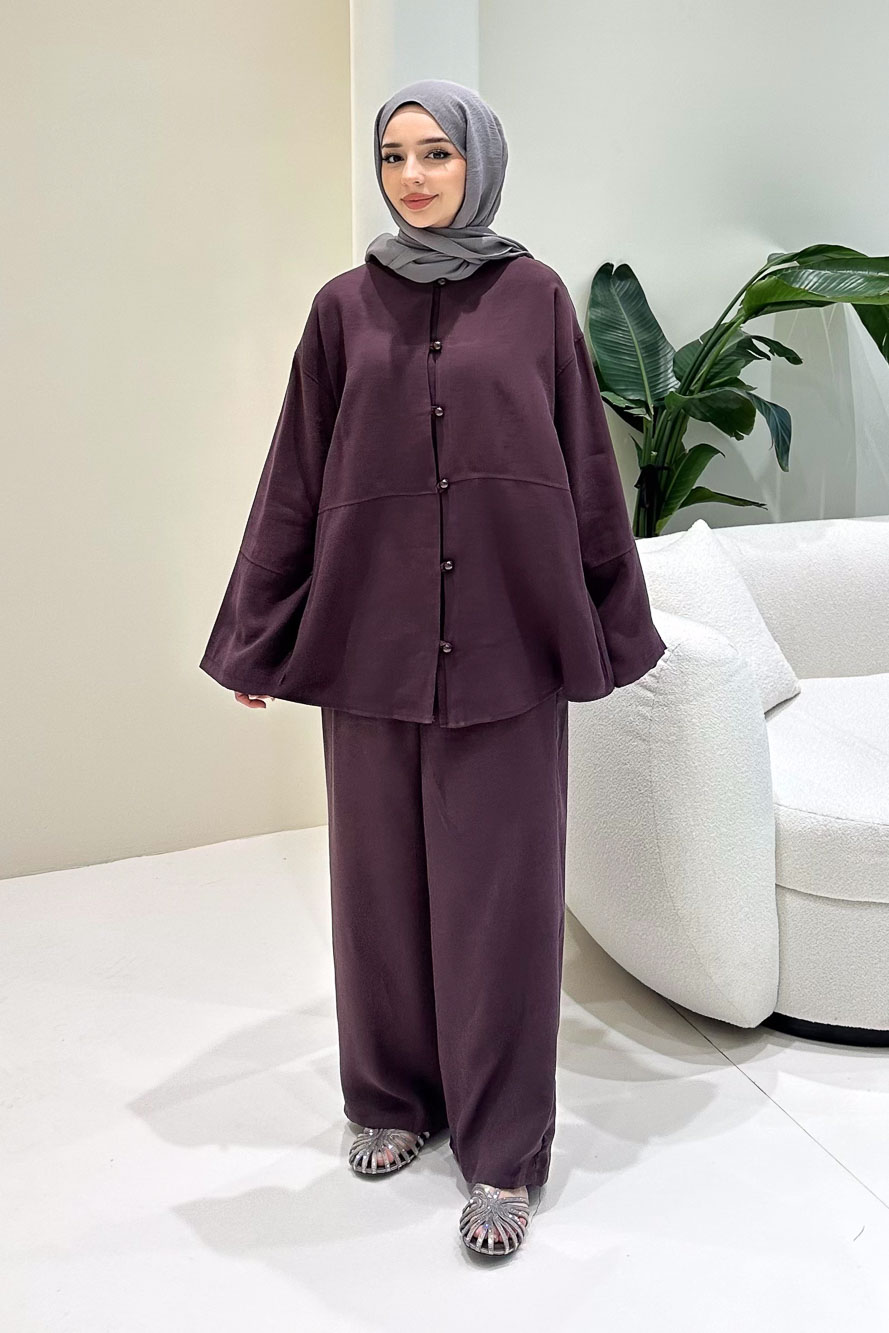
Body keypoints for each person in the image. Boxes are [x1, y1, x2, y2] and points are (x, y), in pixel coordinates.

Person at [199, 78, 667, 1257]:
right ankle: (392, 1098)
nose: (412, 177)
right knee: (377, 893)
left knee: (501, 904)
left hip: (507, 646)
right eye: (395, 156)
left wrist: (613, 624)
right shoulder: (340, 309)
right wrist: (259, 628)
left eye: (437, 154)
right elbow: (297, 474)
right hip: (370, 642)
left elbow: (586, 468)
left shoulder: (536, 299)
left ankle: (502, 1147)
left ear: (480, 162)